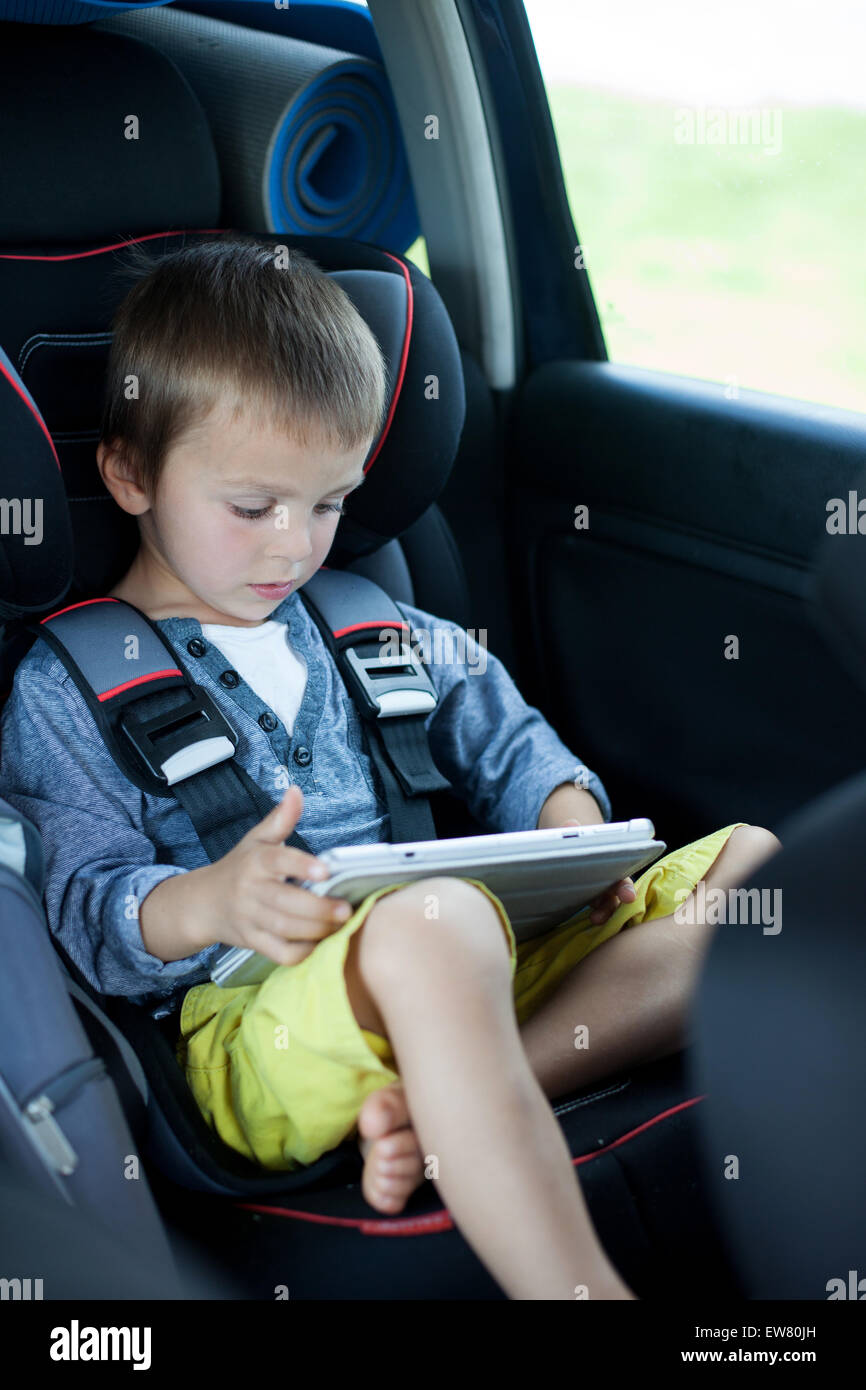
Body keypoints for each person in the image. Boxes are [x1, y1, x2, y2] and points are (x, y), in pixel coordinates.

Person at [0, 236, 781, 1300]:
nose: (295, 545)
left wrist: (566, 830)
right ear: (130, 472)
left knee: (756, 869)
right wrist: (211, 902)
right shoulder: (70, 683)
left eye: (327, 504)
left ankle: (438, 1099)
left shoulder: (381, 627)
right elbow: (86, 908)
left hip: (457, 956)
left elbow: (513, 747)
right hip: (255, 1029)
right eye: (252, 507)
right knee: (440, 921)